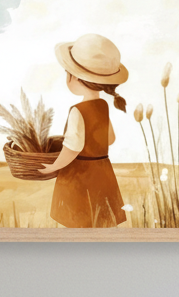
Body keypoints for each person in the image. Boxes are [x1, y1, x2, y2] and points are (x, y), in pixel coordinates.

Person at [39, 33, 129, 228]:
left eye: (67, 72)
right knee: (100, 221)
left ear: (75, 78)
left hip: (80, 177)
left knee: (79, 222)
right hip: (102, 173)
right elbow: (111, 139)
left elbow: (72, 148)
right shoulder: (103, 106)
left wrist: (53, 167)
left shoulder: (77, 111)